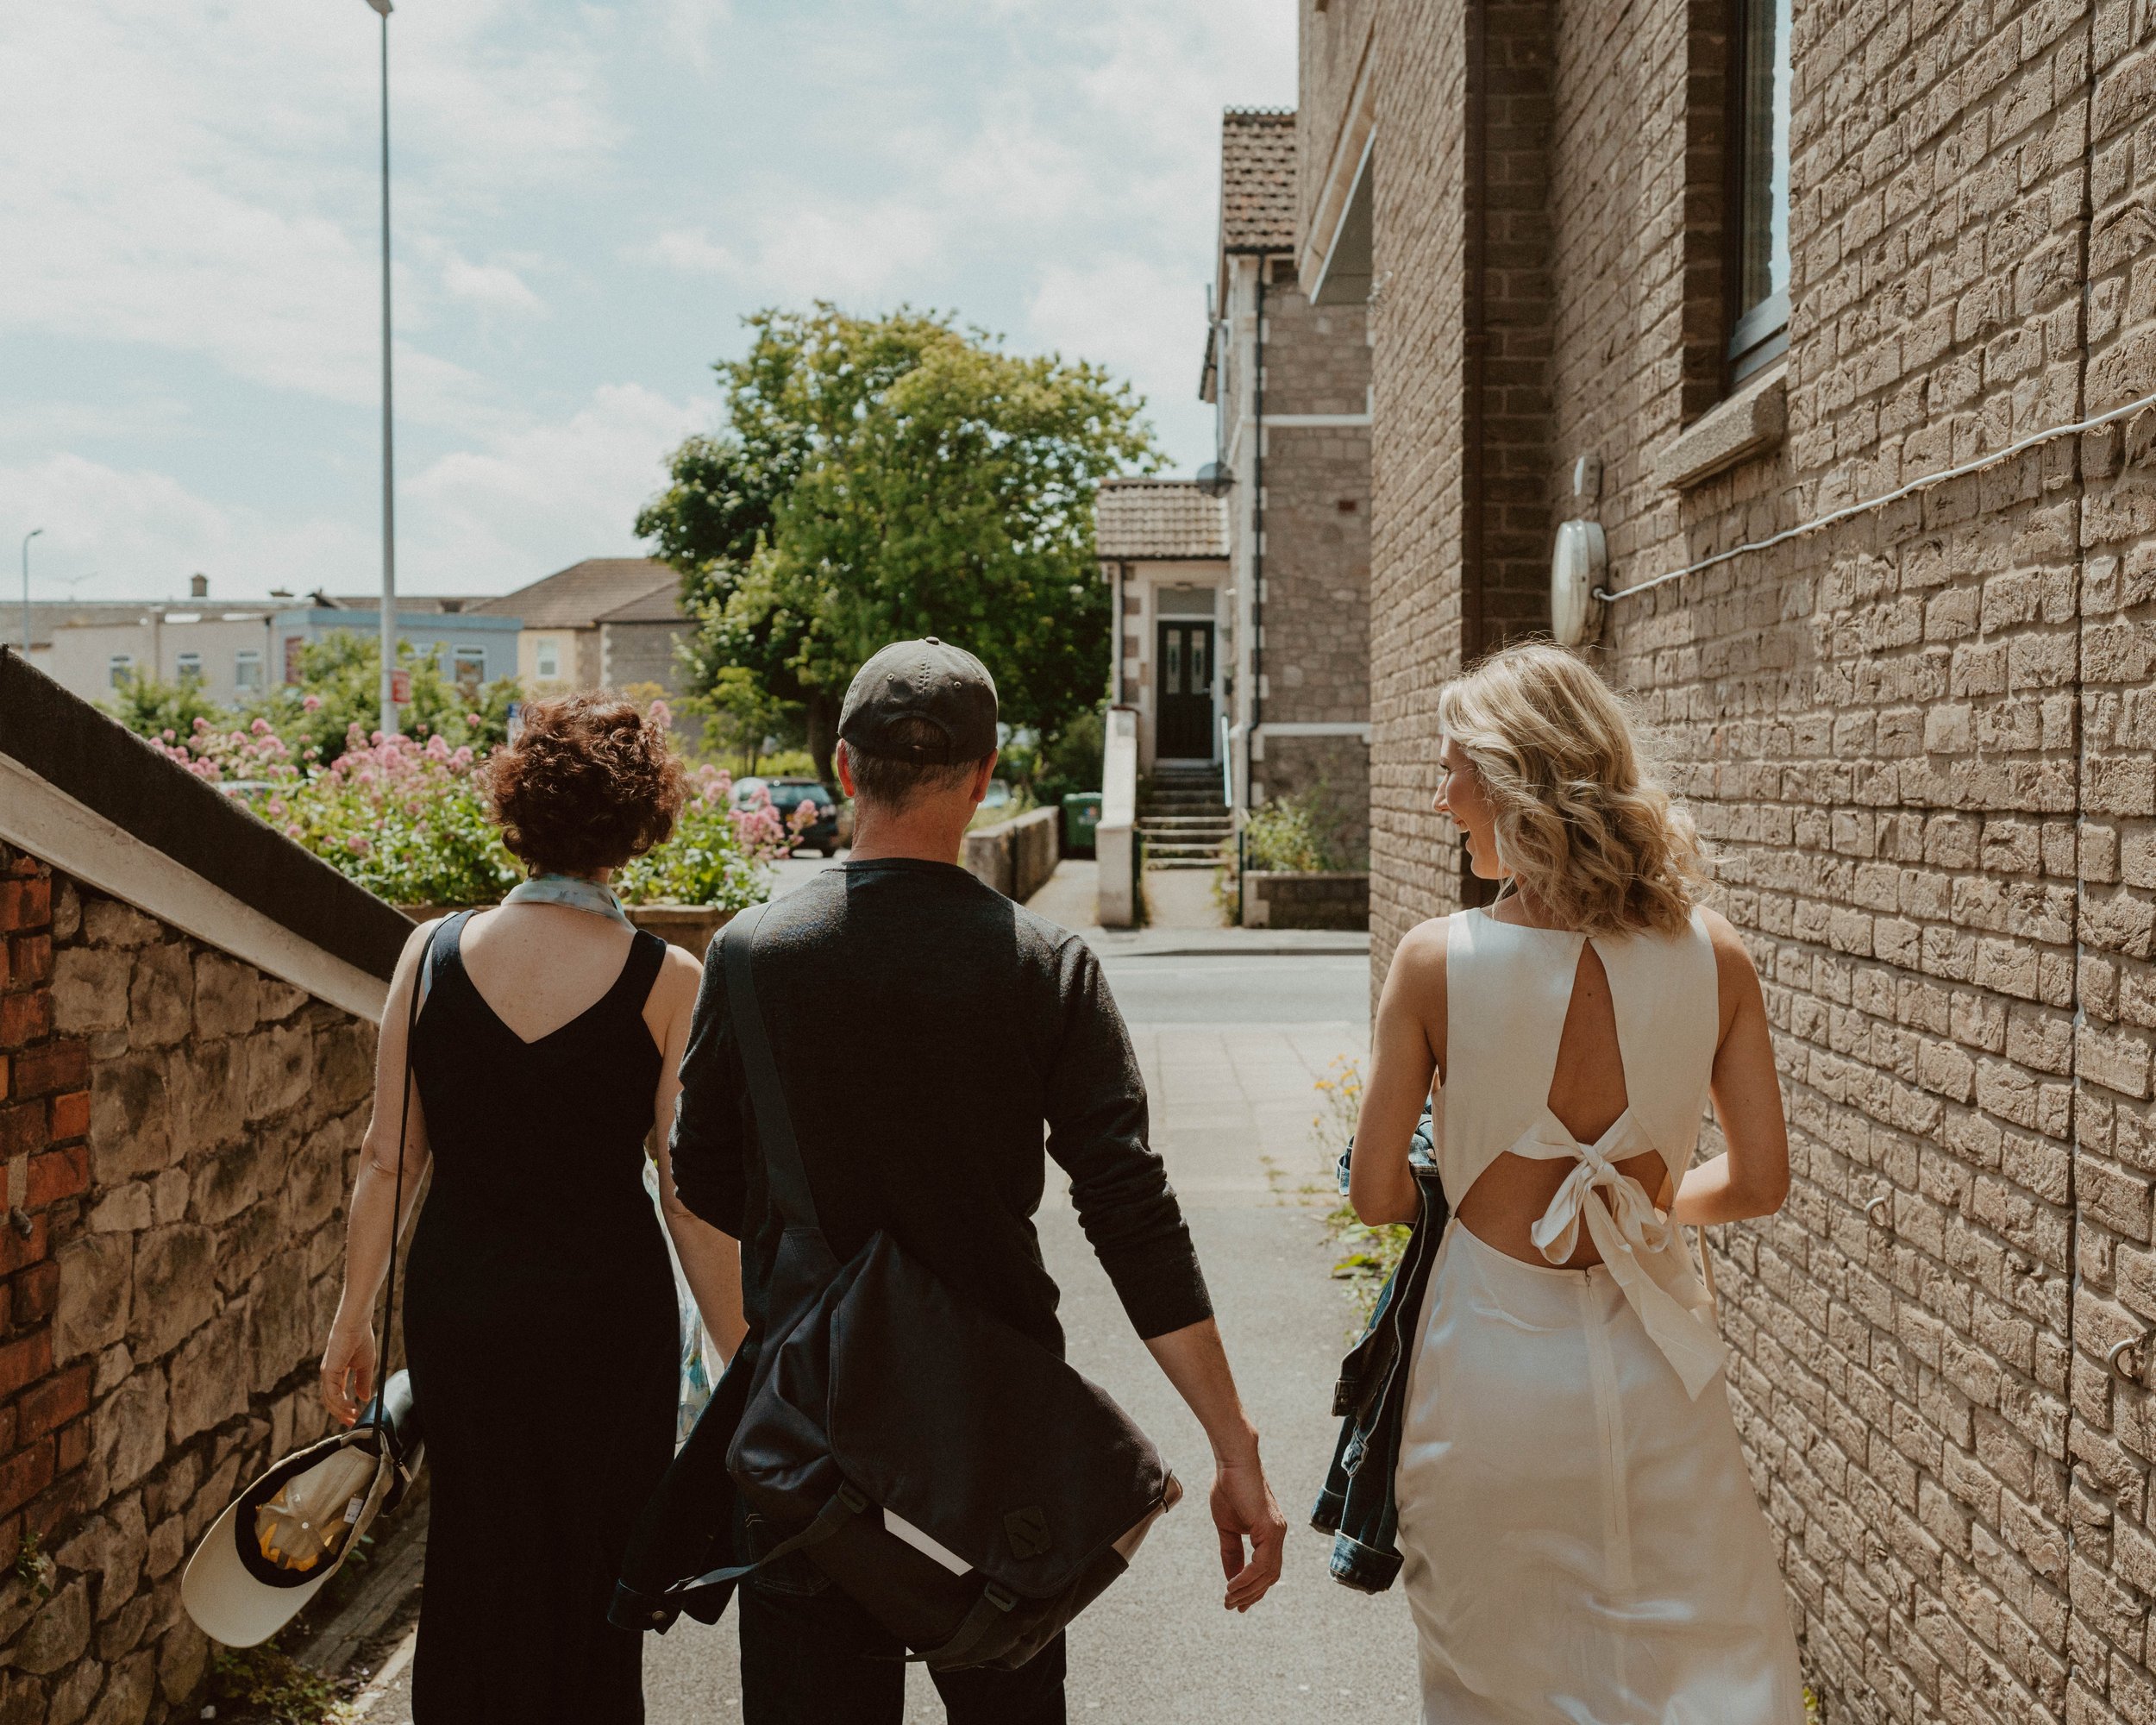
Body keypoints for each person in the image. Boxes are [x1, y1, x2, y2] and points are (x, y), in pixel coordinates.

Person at [665, 637, 1288, 1725]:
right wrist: (1233, 1447)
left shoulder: (752, 955)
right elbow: (1130, 1211)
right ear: (985, 778)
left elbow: (703, 1174)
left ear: (845, 769)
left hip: (811, 1431)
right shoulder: (1045, 965)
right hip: (993, 1442)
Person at [1349, 643, 1805, 1722]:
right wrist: (1641, 1207)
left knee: (1500, 1674)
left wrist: (1468, 1187)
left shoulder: (1433, 960)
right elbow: (1758, 1180)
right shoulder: (1715, 955)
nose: (1438, 794)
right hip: (1658, 1365)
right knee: (1699, 1666)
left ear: (1512, 775)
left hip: (1487, 1367)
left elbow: (1375, 1194)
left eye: (1451, 764)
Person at [320, 694, 746, 1724]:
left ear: (520, 809)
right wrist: (747, 1352)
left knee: (475, 1555)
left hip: (464, 1299)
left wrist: (353, 1315)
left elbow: (389, 1157)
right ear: (639, 823)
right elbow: (687, 1201)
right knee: (596, 1569)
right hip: (609, 1314)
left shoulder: (428, 954)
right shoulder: (667, 978)